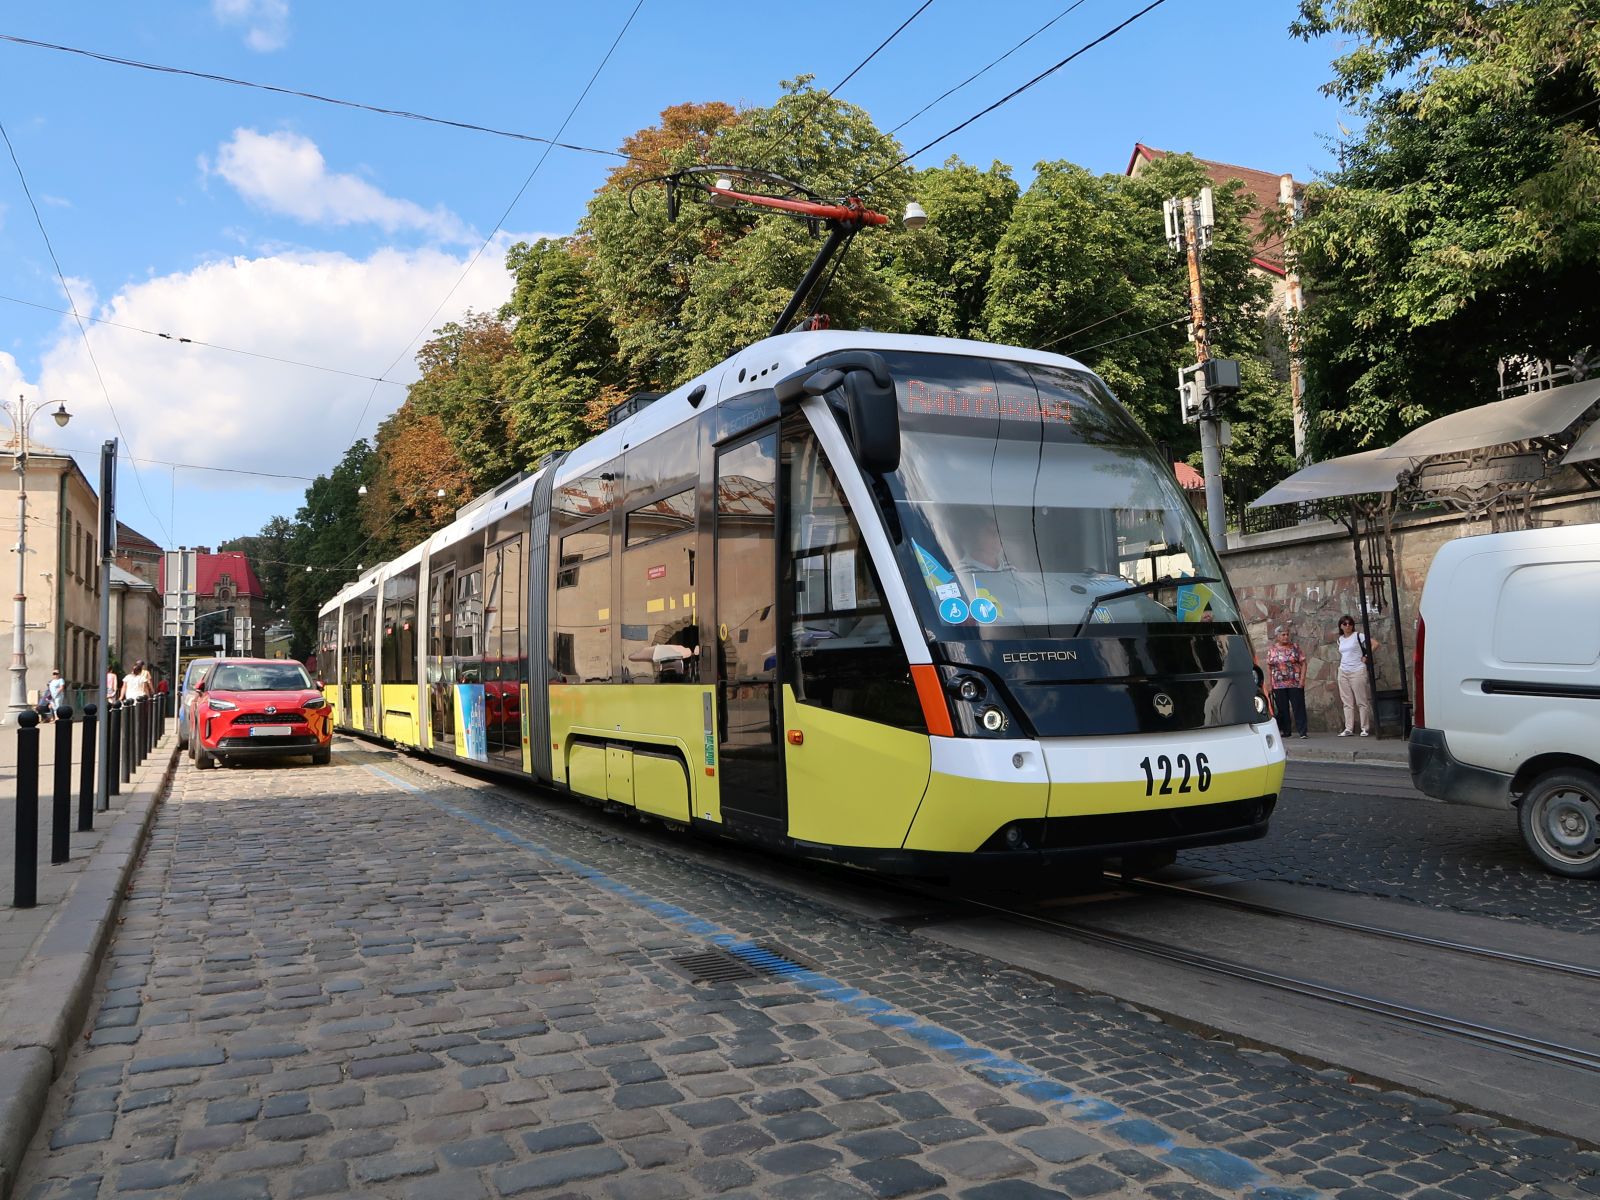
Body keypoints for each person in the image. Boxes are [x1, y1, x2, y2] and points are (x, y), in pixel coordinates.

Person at [1335, 615, 1375, 736]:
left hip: (1357, 670)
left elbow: (1375, 644)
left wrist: (1366, 656)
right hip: (1343, 670)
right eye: (1345, 624)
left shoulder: (1358, 636)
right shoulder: (1340, 639)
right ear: (1341, 626)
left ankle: (1365, 728)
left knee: (1361, 700)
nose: (1348, 626)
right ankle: (1348, 728)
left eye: (1350, 624)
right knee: (1347, 701)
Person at [1266, 625, 1308, 739]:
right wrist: (1269, 683)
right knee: (1282, 708)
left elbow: (1303, 663)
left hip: (1295, 682)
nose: (1286, 637)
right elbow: (1269, 667)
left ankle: (1302, 731)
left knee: (1298, 707)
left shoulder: (1295, 647)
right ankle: (1286, 731)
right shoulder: (1272, 650)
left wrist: (1302, 679)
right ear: (1277, 636)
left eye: (1287, 634)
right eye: (1283, 635)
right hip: (1278, 684)